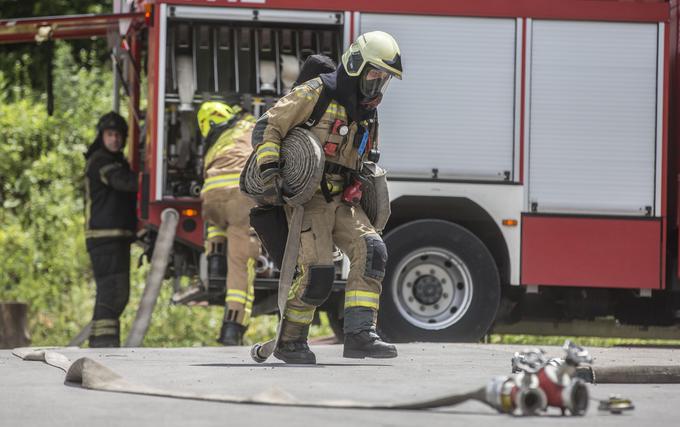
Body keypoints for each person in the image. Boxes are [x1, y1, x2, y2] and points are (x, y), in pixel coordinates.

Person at [251, 31, 403, 363]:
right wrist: (270, 173)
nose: (378, 85)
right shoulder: (316, 92)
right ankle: (290, 341)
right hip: (308, 199)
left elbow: (365, 157)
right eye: (374, 74)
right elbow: (268, 126)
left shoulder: (367, 113)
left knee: (372, 249)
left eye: (384, 79)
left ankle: (361, 335)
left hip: (343, 199)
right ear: (355, 65)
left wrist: (361, 181)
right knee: (318, 274)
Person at [197, 102, 261, 345]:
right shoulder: (246, 124)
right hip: (240, 198)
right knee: (240, 265)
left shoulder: (212, 144)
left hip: (211, 197)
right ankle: (233, 328)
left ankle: (214, 258)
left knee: (215, 218)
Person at [84, 111, 137, 347]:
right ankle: (105, 344)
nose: (114, 139)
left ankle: (100, 341)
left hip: (114, 237)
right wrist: (150, 180)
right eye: (110, 134)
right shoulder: (100, 161)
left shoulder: (114, 161)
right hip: (105, 238)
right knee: (113, 292)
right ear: (102, 136)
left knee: (113, 293)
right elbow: (123, 183)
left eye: (118, 135)